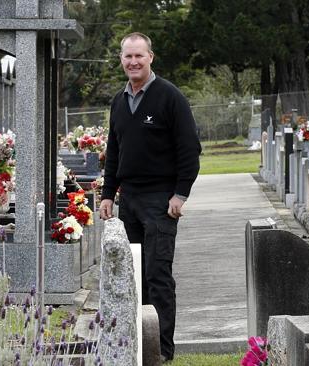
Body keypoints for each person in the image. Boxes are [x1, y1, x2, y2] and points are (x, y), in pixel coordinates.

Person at [99, 32, 201, 362]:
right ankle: (138, 346)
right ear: (121, 60)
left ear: (150, 57)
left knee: (157, 276)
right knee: (133, 278)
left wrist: (180, 195)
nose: (133, 62)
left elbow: (190, 150)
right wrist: (107, 195)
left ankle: (162, 351)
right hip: (129, 201)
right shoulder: (118, 102)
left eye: (139, 56)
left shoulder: (170, 97)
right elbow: (113, 151)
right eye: (127, 57)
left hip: (161, 202)